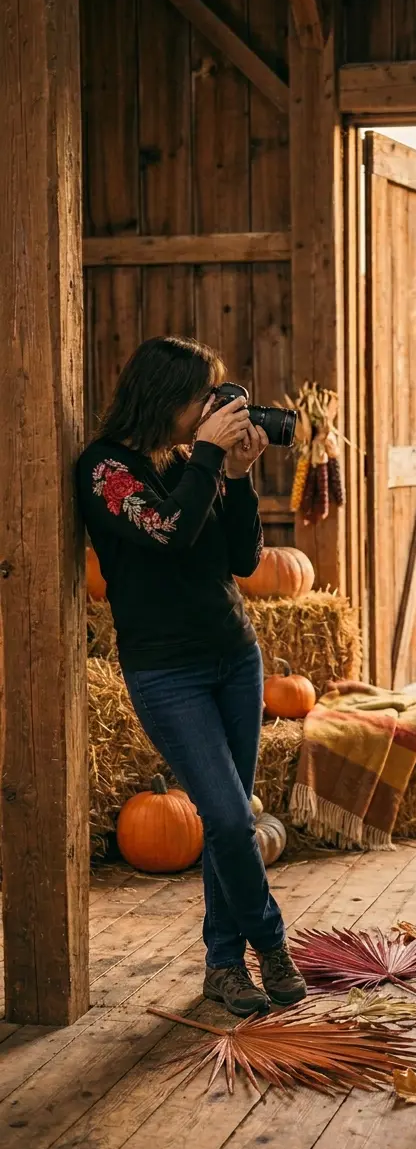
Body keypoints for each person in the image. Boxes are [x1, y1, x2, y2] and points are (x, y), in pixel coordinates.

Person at [77, 335, 307, 1017]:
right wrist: (209, 455)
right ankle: (271, 942)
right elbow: (171, 530)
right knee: (233, 822)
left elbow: (240, 557)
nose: (215, 406)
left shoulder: (193, 461)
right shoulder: (104, 471)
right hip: (166, 671)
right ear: (165, 397)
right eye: (203, 395)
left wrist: (237, 474)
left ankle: (222, 965)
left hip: (235, 657)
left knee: (223, 822)